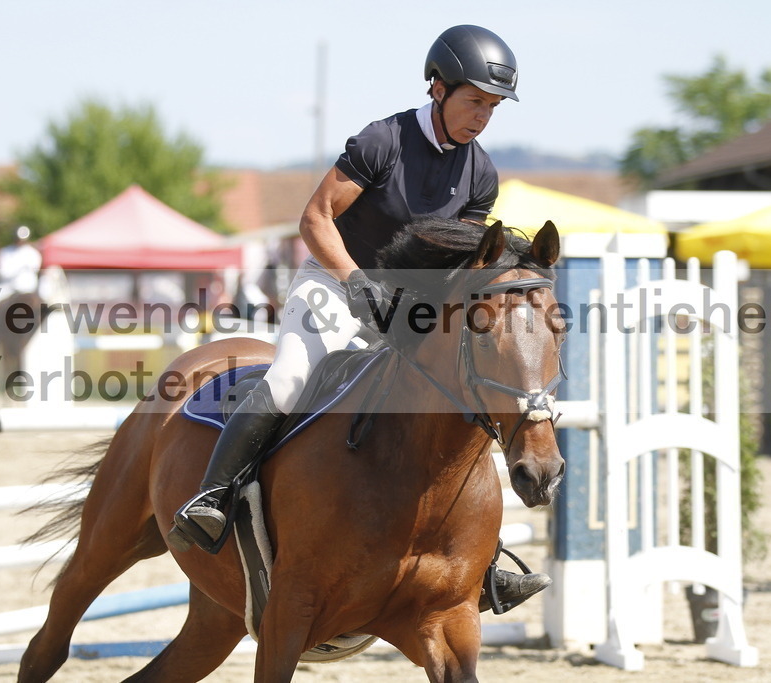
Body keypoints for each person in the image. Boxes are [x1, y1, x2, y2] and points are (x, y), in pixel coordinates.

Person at [173, 25, 550, 609]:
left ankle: (484, 561)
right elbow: (316, 218)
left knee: (458, 401)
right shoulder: (383, 141)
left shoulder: (481, 174)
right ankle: (213, 499)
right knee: (289, 379)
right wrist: (356, 282)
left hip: (407, 306)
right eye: (474, 100)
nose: (482, 116)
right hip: (334, 281)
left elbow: (458, 264)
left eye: (492, 106)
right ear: (438, 87)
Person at [0, 225, 42, 298]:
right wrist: (19, 267)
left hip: (28, 290)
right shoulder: (5, 252)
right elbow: (3, 273)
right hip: (9, 291)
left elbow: (35, 269)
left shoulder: (33, 253)